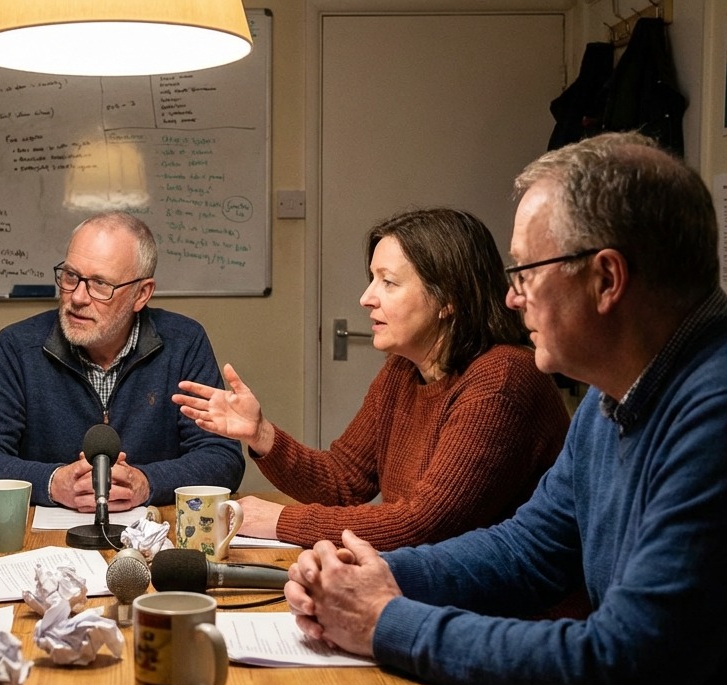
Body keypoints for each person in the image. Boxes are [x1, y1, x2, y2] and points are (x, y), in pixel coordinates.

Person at [285, 133, 727, 685]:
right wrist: (381, 578)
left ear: (606, 278)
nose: (509, 297)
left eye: (526, 272)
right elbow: (526, 551)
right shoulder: (616, 391)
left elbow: (620, 666)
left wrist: (383, 621)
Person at [174, 208, 569, 549]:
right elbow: (343, 483)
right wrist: (262, 435)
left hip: (516, 617)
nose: (366, 297)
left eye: (389, 282)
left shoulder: (502, 378)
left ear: (448, 298)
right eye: (372, 279)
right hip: (437, 592)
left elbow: (423, 524)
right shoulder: (403, 370)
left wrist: (279, 522)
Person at [0, 211, 244, 511]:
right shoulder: (17, 347)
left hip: (153, 536)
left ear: (141, 294)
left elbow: (222, 457)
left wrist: (147, 482)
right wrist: (52, 483)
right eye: (70, 276)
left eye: (100, 285)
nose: (78, 297)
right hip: (45, 541)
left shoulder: (184, 343)